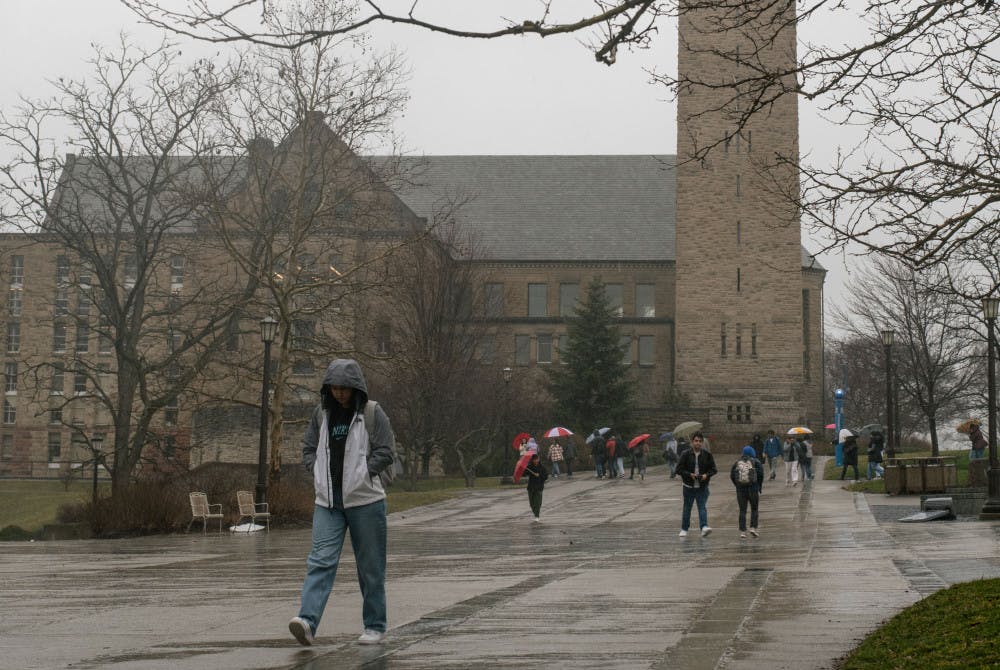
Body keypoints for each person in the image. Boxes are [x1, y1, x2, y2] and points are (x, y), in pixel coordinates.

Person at [289, 358, 395, 647]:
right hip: (328, 502)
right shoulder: (321, 414)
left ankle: (375, 625)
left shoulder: (373, 413)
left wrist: (365, 473)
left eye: (346, 388)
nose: (340, 394)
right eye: (335, 388)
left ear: (356, 387)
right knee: (320, 561)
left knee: (370, 567)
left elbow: (387, 450)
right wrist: (315, 469)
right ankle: (307, 621)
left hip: (366, 502)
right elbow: (308, 447)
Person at [675, 432, 717, 537]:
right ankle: (684, 528)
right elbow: (678, 469)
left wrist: (706, 475)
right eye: (696, 441)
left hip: (702, 486)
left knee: (702, 507)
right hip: (688, 486)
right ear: (692, 442)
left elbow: (714, 469)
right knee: (687, 508)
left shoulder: (707, 455)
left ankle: (704, 527)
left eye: (699, 441)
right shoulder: (685, 454)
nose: (698, 443)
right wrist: (689, 474)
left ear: (702, 443)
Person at [730, 446, 764, 538]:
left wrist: (737, 485)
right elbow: (761, 474)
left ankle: (743, 531)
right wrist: (759, 486)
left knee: (742, 510)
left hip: (741, 490)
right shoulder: (756, 462)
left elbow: (732, 475)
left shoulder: (737, 462)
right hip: (753, 489)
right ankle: (753, 527)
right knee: (754, 509)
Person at [524, 452, 548, 522]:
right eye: (534, 460)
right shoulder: (529, 467)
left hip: (539, 487)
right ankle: (535, 513)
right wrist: (524, 469)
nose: (535, 461)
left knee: (537, 502)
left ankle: (537, 515)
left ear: (538, 459)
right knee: (532, 504)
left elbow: (545, 476)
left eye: (536, 459)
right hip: (531, 487)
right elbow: (524, 474)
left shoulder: (542, 468)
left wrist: (539, 475)